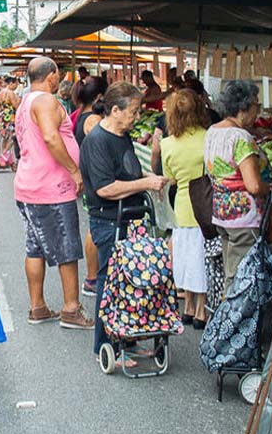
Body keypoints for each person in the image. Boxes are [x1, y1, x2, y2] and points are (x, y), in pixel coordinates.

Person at [80, 81, 168, 360]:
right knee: (111, 281)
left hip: (131, 218)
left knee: (131, 281)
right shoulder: (97, 141)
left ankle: (126, 336)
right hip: (109, 221)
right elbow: (105, 188)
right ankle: (104, 345)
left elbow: (130, 169)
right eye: (134, 111)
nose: (137, 116)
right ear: (115, 110)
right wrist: (145, 183)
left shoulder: (122, 135)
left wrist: (145, 181)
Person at [14, 56, 93, 330]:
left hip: (30, 186)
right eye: (58, 74)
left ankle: (38, 307)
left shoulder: (25, 102)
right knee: (66, 248)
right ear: (51, 75)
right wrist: (74, 170)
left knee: (35, 247)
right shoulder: (46, 101)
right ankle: (71, 308)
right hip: (51, 188)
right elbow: (50, 137)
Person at [203, 80, 272, 292]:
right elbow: (253, 185)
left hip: (221, 212)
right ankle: (233, 323)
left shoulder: (213, 131)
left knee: (230, 273)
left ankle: (227, 321)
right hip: (243, 217)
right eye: (256, 106)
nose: (257, 112)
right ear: (244, 107)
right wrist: (271, 187)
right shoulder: (241, 137)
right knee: (240, 279)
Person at [161, 89, 211, 328]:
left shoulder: (167, 145)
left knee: (185, 257)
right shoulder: (208, 137)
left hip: (181, 205)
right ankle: (201, 309)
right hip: (205, 205)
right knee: (202, 258)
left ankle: (188, 307)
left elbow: (169, 178)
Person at [74, 76, 108, 297]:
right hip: (93, 180)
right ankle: (92, 277)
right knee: (94, 227)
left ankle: (92, 276)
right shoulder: (93, 120)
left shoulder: (80, 115)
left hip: (88, 177)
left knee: (92, 225)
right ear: (99, 97)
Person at [0, 76, 21, 169]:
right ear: (11, 83)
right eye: (15, 84)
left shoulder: (1, 92)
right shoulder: (10, 93)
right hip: (10, 116)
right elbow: (16, 105)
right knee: (12, 136)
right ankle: (4, 154)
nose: (16, 86)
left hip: (2, 116)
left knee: (5, 137)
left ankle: (4, 158)